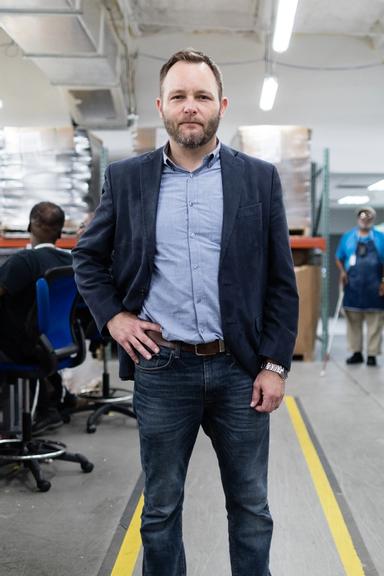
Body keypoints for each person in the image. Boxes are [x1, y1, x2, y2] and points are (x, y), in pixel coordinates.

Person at [73, 49, 298, 576]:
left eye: (201, 96)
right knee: (161, 510)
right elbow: (88, 257)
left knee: (251, 508)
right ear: (161, 107)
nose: (190, 106)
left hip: (240, 369)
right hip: (162, 367)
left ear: (221, 104)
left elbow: (281, 283)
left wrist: (274, 364)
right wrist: (114, 318)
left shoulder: (259, 180)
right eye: (179, 96)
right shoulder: (127, 179)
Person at [0, 201, 77, 433]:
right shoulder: (71, 261)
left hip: (23, 347)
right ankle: (49, 404)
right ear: (61, 231)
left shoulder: (24, 261)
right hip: (55, 343)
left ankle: (13, 425)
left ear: (30, 226)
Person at [336, 206, 384, 366]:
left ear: (373, 219)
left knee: (375, 322)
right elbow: (339, 257)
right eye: (362, 217)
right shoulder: (348, 237)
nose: (365, 220)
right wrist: (342, 272)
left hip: (375, 287)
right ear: (358, 218)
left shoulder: (380, 237)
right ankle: (356, 353)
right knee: (353, 322)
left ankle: (372, 355)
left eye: (368, 217)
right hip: (353, 286)